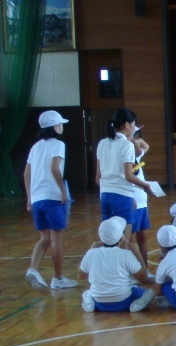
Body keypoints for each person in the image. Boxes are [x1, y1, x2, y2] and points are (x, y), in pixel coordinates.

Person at [23, 110, 76, 290]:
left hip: (37, 198)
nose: (62, 127)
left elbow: (26, 173)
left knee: (44, 237)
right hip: (53, 197)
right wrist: (63, 191)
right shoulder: (58, 144)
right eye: (60, 124)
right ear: (55, 127)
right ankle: (58, 279)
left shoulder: (35, 147)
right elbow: (55, 168)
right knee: (56, 239)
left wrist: (30, 198)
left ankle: (33, 269)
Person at [96, 108, 153, 241]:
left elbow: (98, 177)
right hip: (121, 196)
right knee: (124, 241)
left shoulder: (102, 143)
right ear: (127, 125)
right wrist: (145, 186)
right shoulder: (126, 145)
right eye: (133, 125)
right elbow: (129, 175)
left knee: (109, 239)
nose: (134, 128)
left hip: (105, 196)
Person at [78, 217, 154, 313]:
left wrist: (91, 249)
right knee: (149, 292)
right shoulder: (125, 255)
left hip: (99, 303)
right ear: (122, 238)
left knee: (87, 292)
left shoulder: (91, 254)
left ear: (100, 238)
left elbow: (82, 276)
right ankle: (136, 305)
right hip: (124, 302)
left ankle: (90, 303)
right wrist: (136, 251)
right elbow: (143, 277)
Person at [130, 126, 153, 278]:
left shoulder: (137, 157)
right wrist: (132, 140)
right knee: (130, 240)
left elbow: (146, 146)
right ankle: (133, 271)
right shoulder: (124, 156)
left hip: (142, 202)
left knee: (142, 238)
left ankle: (145, 269)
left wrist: (135, 138)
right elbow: (140, 149)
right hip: (132, 202)